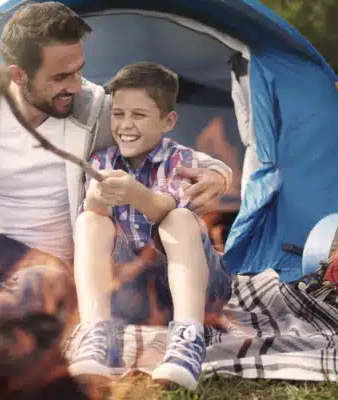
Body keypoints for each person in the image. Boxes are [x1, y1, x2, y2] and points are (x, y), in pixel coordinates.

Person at [0, 2, 232, 325]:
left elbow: (160, 143)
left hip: (39, 267)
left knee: (44, 290)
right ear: (18, 75)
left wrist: (218, 172)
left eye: (79, 70)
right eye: (61, 77)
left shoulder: (94, 108)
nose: (76, 84)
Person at [67, 62, 233, 391]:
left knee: (180, 218)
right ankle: (98, 332)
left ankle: (188, 337)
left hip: (199, 291)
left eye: (139, 115)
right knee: (89, 220)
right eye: (118, 114)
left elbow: (162, 208)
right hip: (136, 297)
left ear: (168, 121)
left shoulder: (180, 161)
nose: (125, 125)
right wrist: (99, 197)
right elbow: (93, 207)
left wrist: (135, 193)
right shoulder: (103, 161)